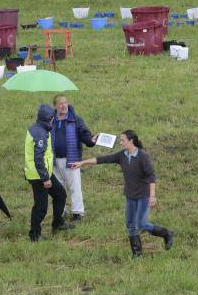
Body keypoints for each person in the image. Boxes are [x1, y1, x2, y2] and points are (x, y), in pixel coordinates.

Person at [71, 130, 175, 257]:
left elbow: (151, 176)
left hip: (143, 196)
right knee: (131, 225)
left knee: (141, 223)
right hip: (130, 195)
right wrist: (82, 162)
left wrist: (152, 196)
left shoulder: (143, 156)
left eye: (122, 140)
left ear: (131, 141)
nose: (120, 143)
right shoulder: (122, 155)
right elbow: (102, 159)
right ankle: (137, 255)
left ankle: (166, 233)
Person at [24, 104, 73, 241]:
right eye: (54, 117)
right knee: (41, 206)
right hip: (39, 175)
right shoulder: (39, 133)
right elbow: (38, 158)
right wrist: (45, 178)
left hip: (45, 172)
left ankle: (57, 224)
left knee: (60, 195)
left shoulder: (42, 128)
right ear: (49, 118)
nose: (55, 119)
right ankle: (34, 235)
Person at [50, 94, 96, 224]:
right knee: (59, 188)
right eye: (60, 103)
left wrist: (90, 140)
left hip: (71, 159)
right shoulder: (51, 120)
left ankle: (78, 213)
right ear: (55, 106)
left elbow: (84, 134)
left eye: (65, 103)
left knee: (74, 187)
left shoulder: (75, 119)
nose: (64, 105)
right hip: (53, 161)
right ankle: (61, 212)